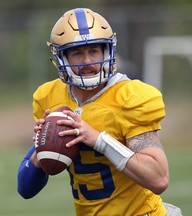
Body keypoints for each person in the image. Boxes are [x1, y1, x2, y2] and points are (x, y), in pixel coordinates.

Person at [17, 8, 182, 216]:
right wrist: (42, 150)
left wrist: (98, 139)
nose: (88, 61)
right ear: (61, 58)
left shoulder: (129, 96)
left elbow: (158, 178)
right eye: (77, 53)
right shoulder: (49, 97)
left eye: (94, 50)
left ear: (107, 51)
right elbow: (25, 188)